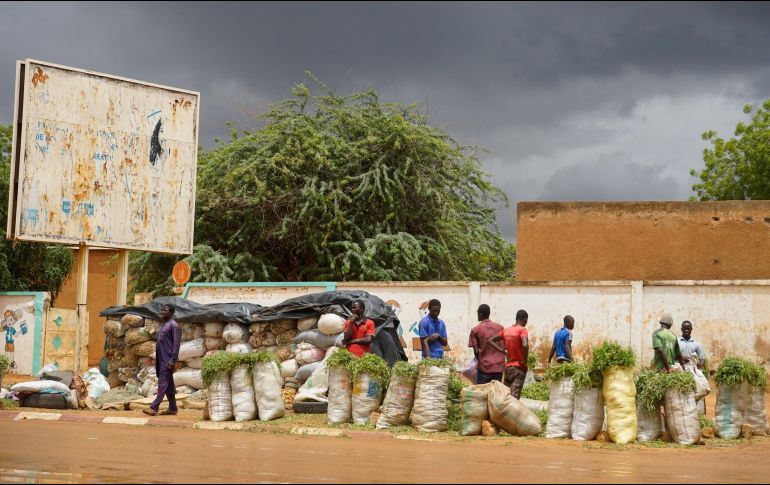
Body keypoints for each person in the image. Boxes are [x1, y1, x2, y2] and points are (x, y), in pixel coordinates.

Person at [144, 304, 181, 416]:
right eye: (162, 309)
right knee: (168, 384)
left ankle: (154, 407)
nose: (162, 311)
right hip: (161, 359)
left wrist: (173, 360)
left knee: (162, 384)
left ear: (171, 313)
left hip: (167, 360)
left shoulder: (173, 325)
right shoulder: (164, 325)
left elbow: (176, 344)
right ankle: (173, 408)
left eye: (165, 310)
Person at [489, 309, 529, 399]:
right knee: (513, 398)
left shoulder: (506, 330)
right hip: (519, 368)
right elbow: (525, 345)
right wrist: (524, 363)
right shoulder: (523, 330)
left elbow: (490, 340)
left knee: (505, 396)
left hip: (508, 368)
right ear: (525, 319)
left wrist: (503, 351)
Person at [468, 304, 504, 384]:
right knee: (496, 393)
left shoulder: (475, 330)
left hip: (485, 368)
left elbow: (476, 352)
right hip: (498, 367)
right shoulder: (500, 328)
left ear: (480, 314)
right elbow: (503, 346)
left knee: (482, 393)